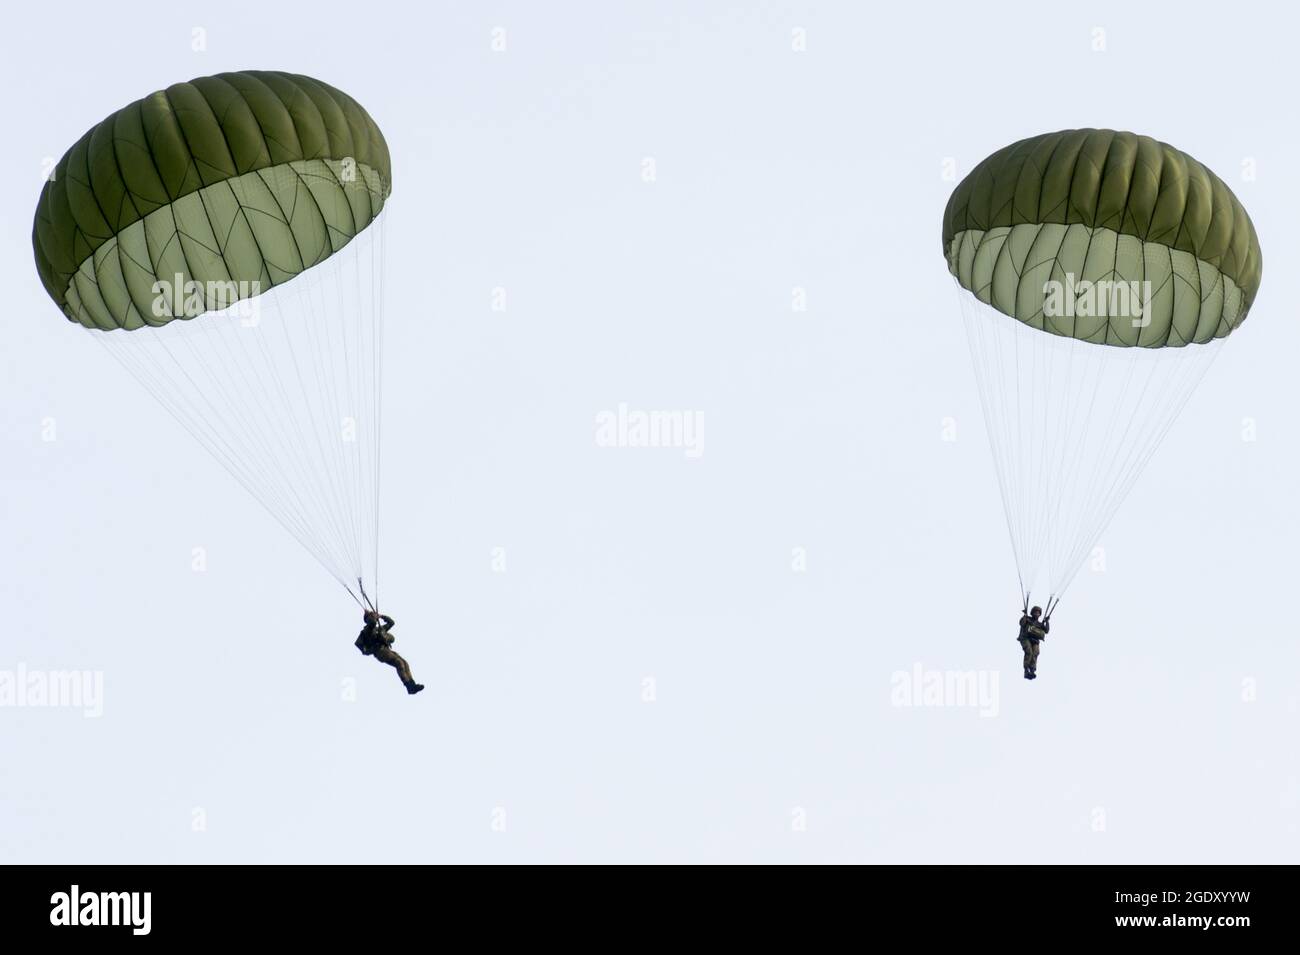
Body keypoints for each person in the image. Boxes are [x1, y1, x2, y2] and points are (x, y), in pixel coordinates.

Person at [355, 609, 424, 694]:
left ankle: (411, 685)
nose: (375, 618)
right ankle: (409, 686)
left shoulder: (379, 629)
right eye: (373, 617)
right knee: (399, 663)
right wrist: (370, 615)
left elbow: (391, 623)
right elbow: (371, 623)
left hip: (386, 650)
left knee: (404, 663)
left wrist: (381, 616)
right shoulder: (367, 631)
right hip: (380, 652)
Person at [1017, 606, 1049, 680]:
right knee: (1029, 652)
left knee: (1035, 653)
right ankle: (1026, 670)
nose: (1037, 614)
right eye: (1035, 612)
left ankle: (1032, 669)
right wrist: (1024, 615)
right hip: (1025, 638)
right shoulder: (1027, 619)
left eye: (1038, 613)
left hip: (1035, 640)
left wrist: (1047, 621)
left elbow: (1046, 631)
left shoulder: (1040, 624)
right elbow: (1021, 623)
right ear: (1032, 613)